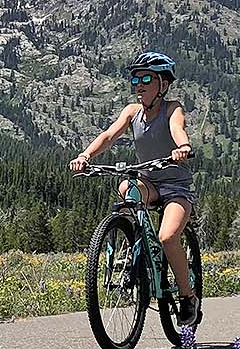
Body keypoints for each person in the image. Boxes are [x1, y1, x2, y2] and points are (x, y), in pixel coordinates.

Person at [69, 50, 199, 325]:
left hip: (175, 187)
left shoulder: (171, 108)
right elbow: (108, 136)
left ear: (162, 85)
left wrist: (183, 147)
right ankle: (132, 246)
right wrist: (85, 156)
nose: (139, 85)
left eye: (146, 79)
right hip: (149, 181)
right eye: (135, 80)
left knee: (167, 238)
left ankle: (188, 297)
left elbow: (178, 129)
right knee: (127, 186)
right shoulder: (132, 112)